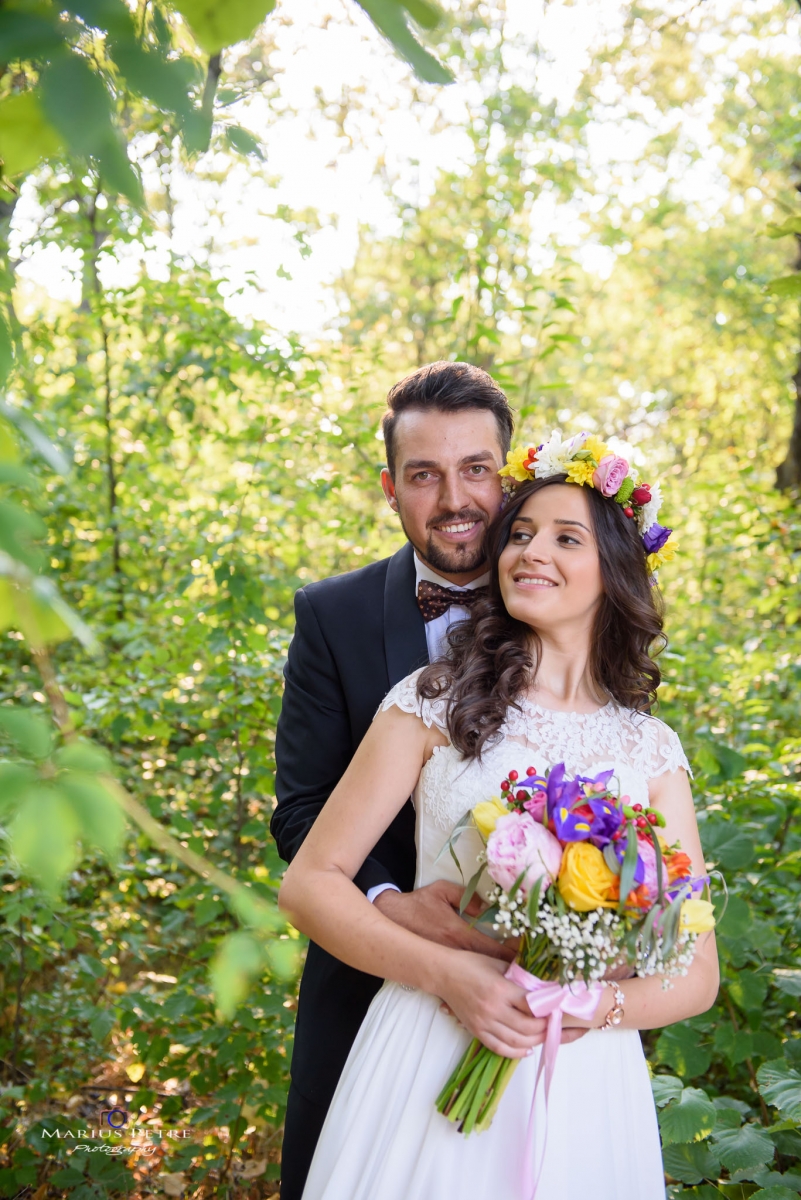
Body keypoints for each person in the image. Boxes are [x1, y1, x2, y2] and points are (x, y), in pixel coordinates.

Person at [278, 435, 720, 1200]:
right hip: (424, 1041)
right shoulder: (431, 700)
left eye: (563, 537)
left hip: (582, 1075)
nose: (526, 551)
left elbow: (691, 971)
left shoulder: (649, 748)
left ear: (613, 572)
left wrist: (587, 1002)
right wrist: (450, 975)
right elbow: (310, 885)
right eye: (517, 533)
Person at [273, 361, 554, 1200]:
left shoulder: (569, 600)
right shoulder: (332, 615)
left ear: (510, 478)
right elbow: (301, 808)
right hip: (368, 980)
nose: (455, 497)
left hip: (539, 996)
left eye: (476, 469)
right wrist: (392, 906)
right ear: (389, 489)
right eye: (424, 475)